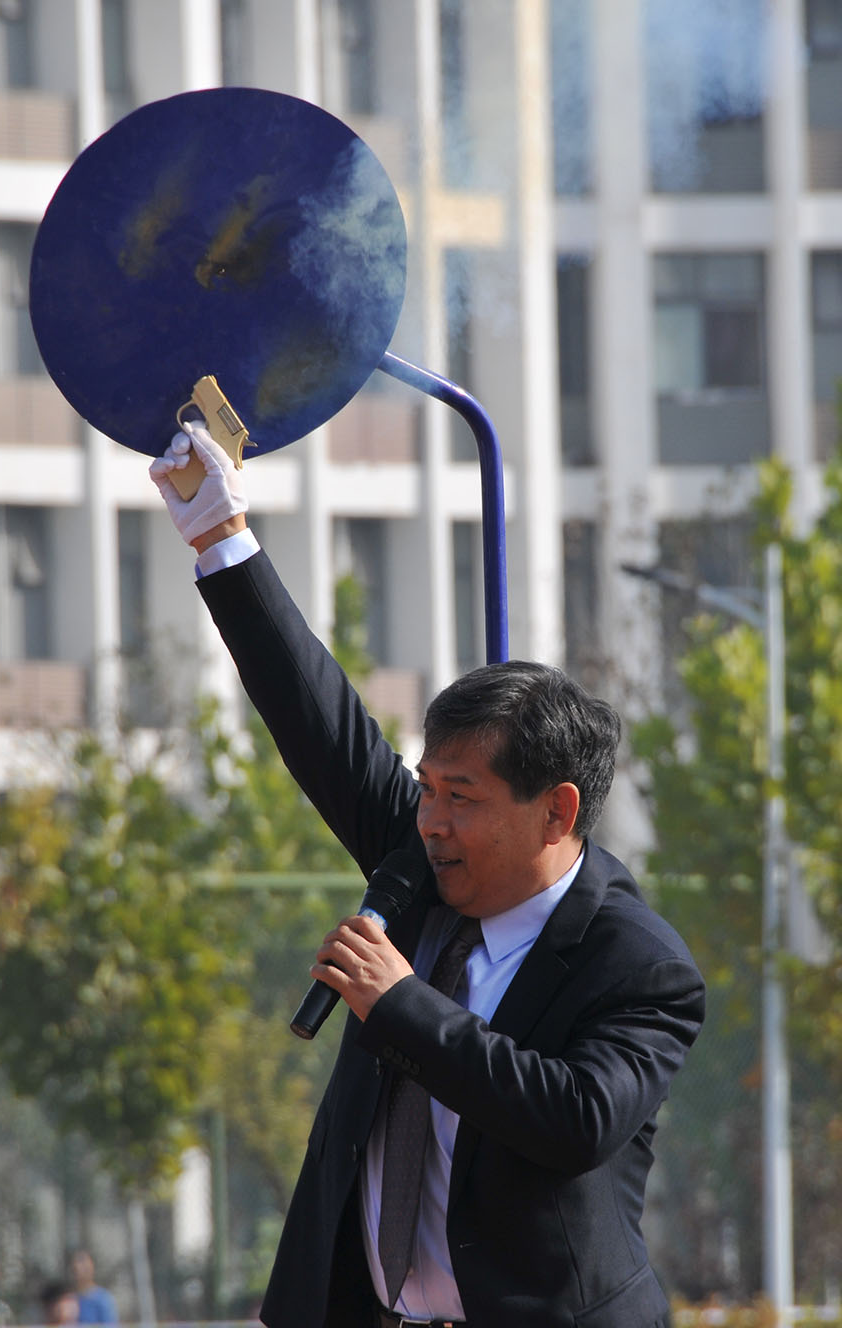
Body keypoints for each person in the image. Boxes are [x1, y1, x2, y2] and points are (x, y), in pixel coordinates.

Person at [150, 425, 707, 1327]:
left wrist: (400, 1002)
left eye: (463, 797)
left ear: (556, 811)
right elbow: (318, 720)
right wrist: (221, 535)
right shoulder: (420, 865)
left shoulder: (640, 965)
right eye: (427, 789)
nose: (432, 820)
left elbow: (575, 1120)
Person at [68, 1250, 116, 1324]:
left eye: (85, 1268)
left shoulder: (103, 1299)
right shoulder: (69, 1299)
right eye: (75, 1268)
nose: (79, 1270)